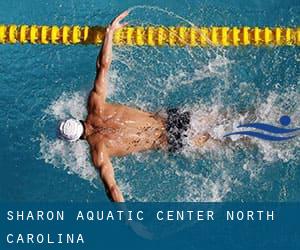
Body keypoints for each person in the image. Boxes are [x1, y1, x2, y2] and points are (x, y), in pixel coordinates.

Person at [58, 11, 210, 202]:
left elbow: (112, 189)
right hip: (172, 118)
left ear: (76, 140)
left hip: (171, 140)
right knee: (226, 118)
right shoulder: (95, 105)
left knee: (228, 141)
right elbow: (103, 66)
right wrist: (109, 33)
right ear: (76, 119)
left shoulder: (99, 152)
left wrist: (130, 221)